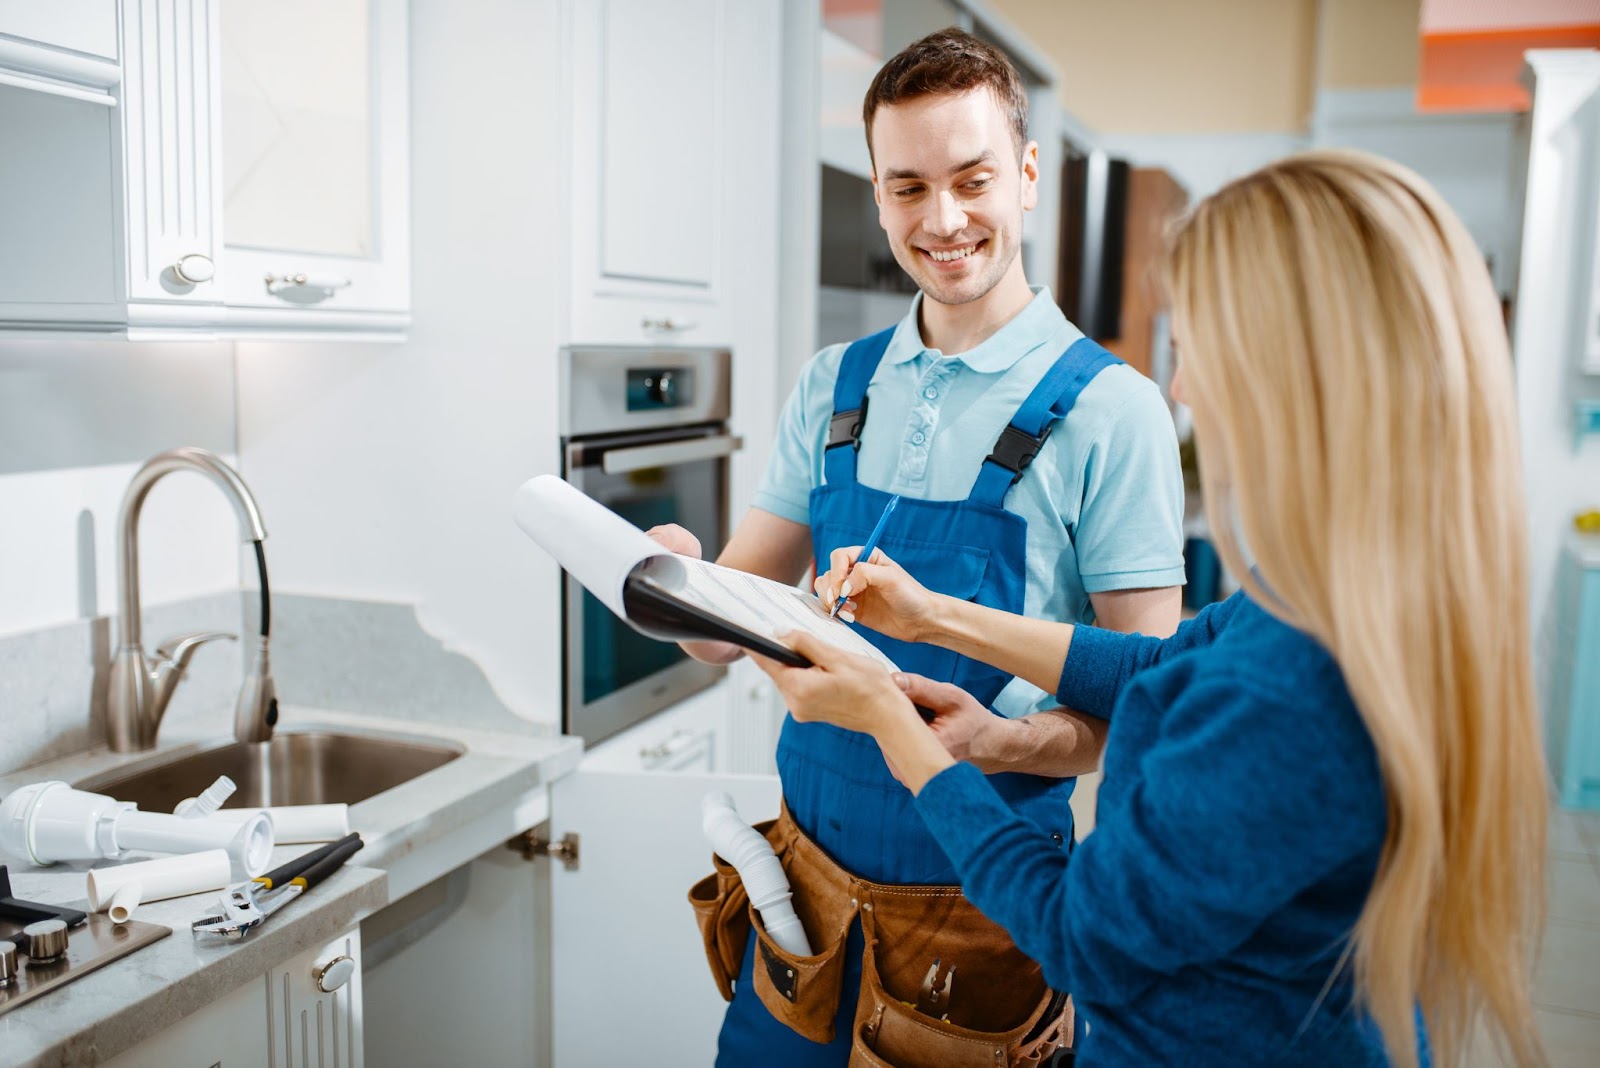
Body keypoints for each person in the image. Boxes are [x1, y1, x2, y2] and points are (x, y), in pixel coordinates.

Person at [756, 150, 1549, 1067]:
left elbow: (1082, 933)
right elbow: (1158, 665)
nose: (1183, 387)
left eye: (1201, 347)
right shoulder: (1344, 603)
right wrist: (936, 617)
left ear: (1293, 377)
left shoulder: (1285, 693)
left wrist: (892, 721)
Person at [652, 27, 1185, 1067]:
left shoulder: (1113, 414)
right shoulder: (833, 384)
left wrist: (1002, 742)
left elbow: (1150, 712)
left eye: (972, 179)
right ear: (878, 190)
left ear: (1027, 177)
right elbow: (727, 629)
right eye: (906, 188)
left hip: (981, 915)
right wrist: (673, 587)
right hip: (796, 900)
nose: (941, 221)